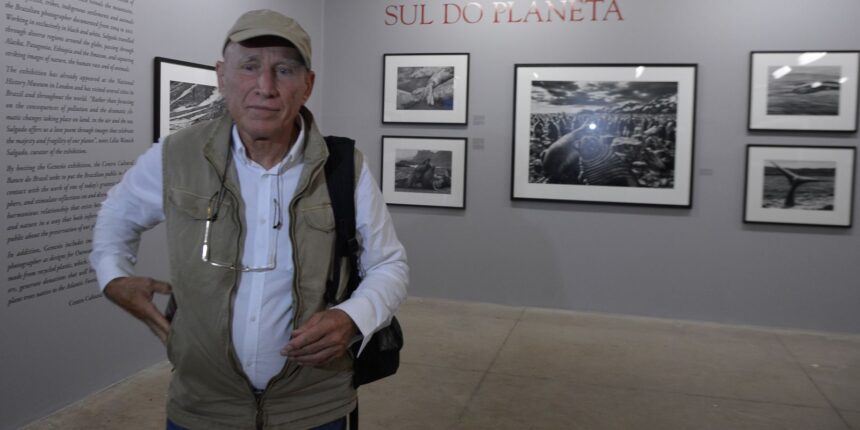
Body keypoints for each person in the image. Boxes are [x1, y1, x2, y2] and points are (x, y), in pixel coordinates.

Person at [89, 9, 408, 430]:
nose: (266, 87)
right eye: (250, 67)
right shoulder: (176, 156)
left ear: (308, 85)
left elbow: (389, 264)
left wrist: (354, 316)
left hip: (313, 405)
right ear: (222, 76)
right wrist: (113, 275)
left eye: (285, 70)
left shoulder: (343, 167)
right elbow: (117, 214)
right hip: (202, 406)